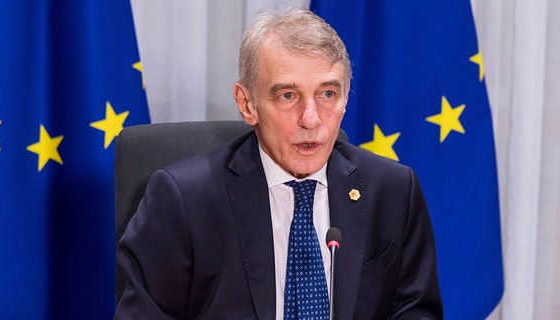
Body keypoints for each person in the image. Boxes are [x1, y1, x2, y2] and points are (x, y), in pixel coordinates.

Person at [115, 7, 442, 319]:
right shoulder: (185, 201)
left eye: (327, 93)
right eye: (288, 95)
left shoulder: (393, 190)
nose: (311, 119)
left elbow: (415, 311)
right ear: (247, 104)